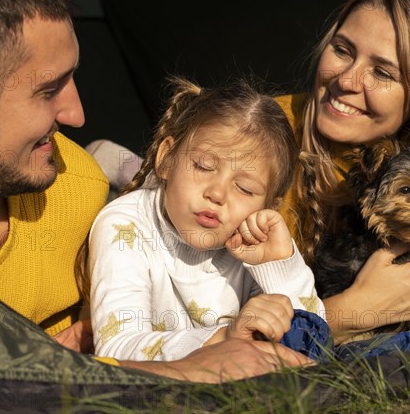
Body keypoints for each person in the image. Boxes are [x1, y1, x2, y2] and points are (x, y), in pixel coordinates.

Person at [0, 0, 312, 382]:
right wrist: (190, 367)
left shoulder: (73, 187)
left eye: (73, 77)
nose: (77, 113)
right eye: (49, 90)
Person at [275, 0, 410, 343]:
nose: (347, 80)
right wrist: (351, 311)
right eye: (342, 49)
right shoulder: (256, 140)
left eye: (382, 72)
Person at [87, 77, 325, 361]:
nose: (217, 193)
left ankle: (126, 164)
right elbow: (116, 349)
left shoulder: (252, 245)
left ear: (268, 207)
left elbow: (313, 347)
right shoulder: (126, 226)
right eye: (203, 166)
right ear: (166, 159)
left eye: (245, 189)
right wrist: (225, 338)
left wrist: (281, 268)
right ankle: (123, 166)